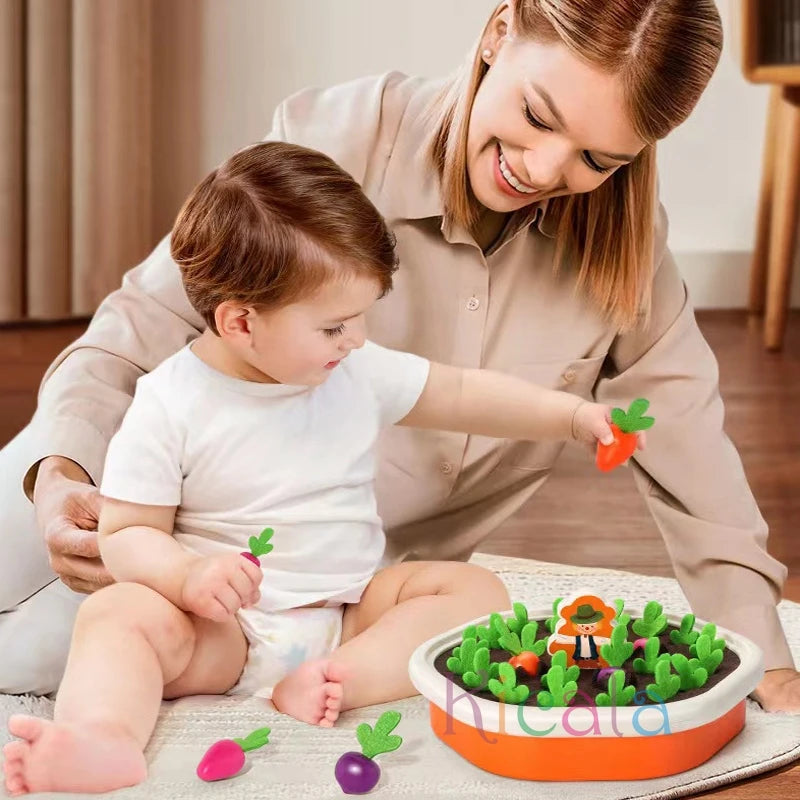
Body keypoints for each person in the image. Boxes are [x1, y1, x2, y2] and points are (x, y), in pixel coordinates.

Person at [0, 0, 797, 711]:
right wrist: (61, 469)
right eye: (538, 115)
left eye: (599, 160)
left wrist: (758, 647)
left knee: (53, 657)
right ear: (498, 32)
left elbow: (687, 437)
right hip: (151, 514)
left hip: (329, 591)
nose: (547, 170)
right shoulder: (336, 140)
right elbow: (145, 321)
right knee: (34, 616)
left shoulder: (626, 251)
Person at [1, 140, 632, 796]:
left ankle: (339, 678)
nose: (356, 338)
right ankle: (102, 739)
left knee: (479, 595)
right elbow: (127, 535)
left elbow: (462, 393)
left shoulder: (354, 369)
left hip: (347, 610)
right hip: (224, 632)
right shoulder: (169, 403)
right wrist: (187, 578)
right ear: (241, 323)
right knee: (118, 614)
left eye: (362, 317)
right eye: (334, 326)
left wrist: (568, 416)